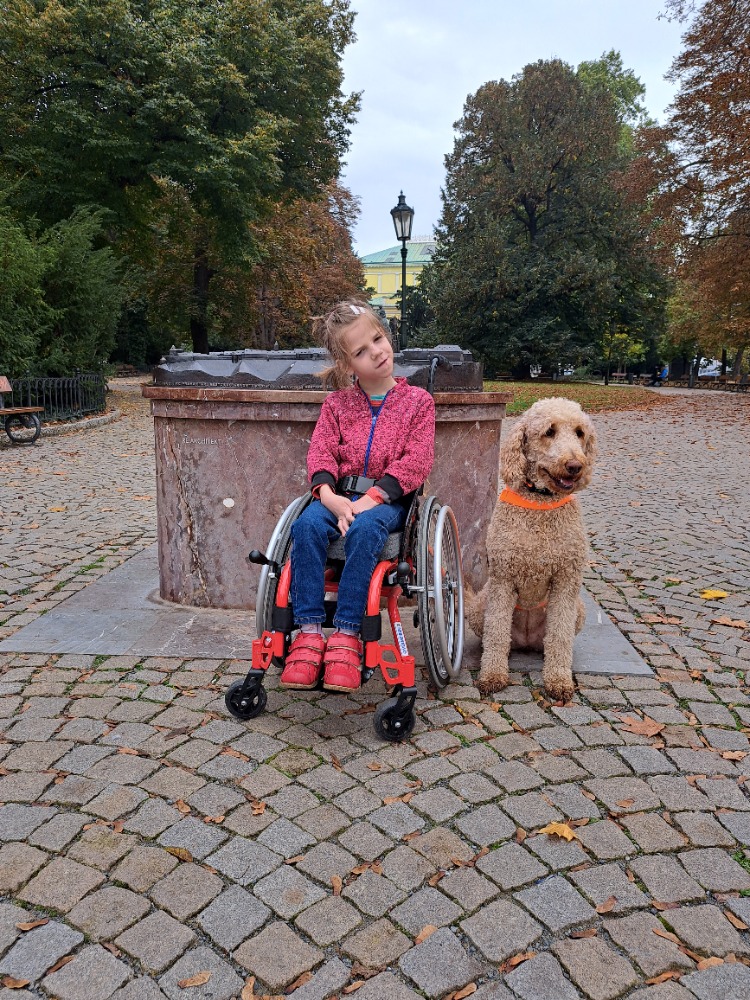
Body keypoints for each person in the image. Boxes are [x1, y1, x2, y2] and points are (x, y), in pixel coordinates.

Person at [279, 300, 435, 693]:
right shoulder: (336, 405)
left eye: (378, 339)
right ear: (347, 364)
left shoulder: (418, 403)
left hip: (389, 502)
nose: (377, 352)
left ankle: (347, 634)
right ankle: (309, 633)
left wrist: (374, 498)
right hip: (338, 496)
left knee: (366, 530)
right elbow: (321, 452)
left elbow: (417, 460)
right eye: (362, 351)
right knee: (306, 526)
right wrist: (328, 496)